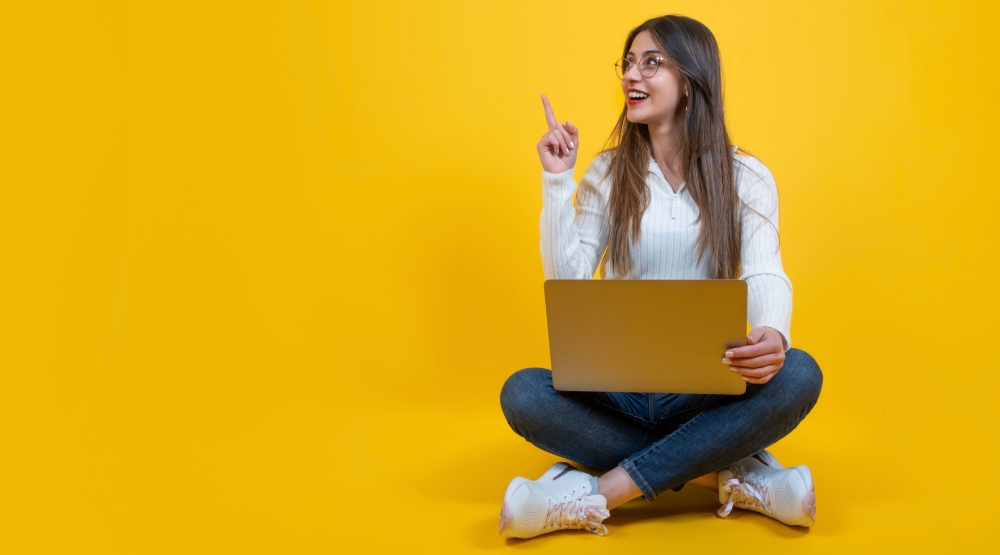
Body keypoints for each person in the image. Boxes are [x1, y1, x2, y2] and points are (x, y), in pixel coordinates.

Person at [498, 14, 823, 539]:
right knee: (524, 393)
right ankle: (730, 470)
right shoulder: (607, 173)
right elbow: (569, 285)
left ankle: (596, 492)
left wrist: (773, 332)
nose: (631, 76)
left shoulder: (747, 176)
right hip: (617, 391)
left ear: (692, 80)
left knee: (800, 372)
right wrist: (558, 183)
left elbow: (767, 270)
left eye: (651, 63)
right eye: (627, 63)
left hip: (707, 391)